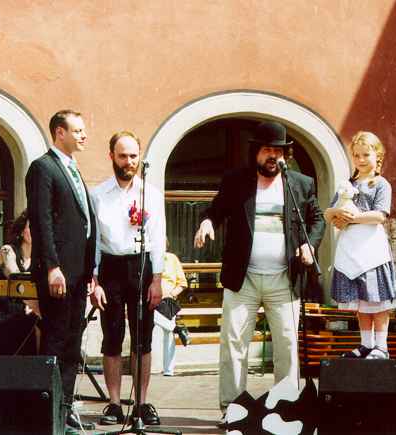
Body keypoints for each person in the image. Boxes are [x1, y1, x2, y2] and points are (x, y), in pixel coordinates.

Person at [193, 120, 325, 427]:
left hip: (284, 279)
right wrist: (207, 223)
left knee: (287, 345)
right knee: (234, 343)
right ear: (256, 152)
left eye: (277, 151)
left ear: (285, 155)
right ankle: (232, 408)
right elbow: (215, 209)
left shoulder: (299, 184)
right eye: (267, 149)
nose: (272, 156)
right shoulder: (236, 181)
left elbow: (316, 219)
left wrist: (310, 245)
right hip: (244, 278)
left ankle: (285, 407)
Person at [25, 109, 97, 433]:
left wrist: (91, 270)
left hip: (79, 273)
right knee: (55, 340)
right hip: (59, 273)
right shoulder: (44, 168)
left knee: (72, 342)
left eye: (84, 130)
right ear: (59, 132)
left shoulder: (73, 168)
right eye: (78, 130)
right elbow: (42, 222)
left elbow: (82, 222)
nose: (84, 136)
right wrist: (52, 266)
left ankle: (64, 408)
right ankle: (46, 412)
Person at [90, 131, 165, 426]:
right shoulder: (97, 195)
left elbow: (159, 239)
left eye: (133, 155)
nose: (129, 161)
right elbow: (93, 242)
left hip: (142, 266)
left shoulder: (152, 195)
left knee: (142, 340)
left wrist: (157, 279)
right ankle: (113, 403)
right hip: (110, 267)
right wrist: (93, 282)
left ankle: (142, 403)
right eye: (122, 156)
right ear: (111, 157)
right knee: (112, 337)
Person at [324, 131, 396, 359]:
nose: (361, 159)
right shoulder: (347, 185)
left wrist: (353, 217)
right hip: (350, 247)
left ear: (378, 156)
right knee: (360, 300)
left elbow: (380, 215)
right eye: (356, 155)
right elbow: (330, 215)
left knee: (377, 298)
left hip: (371, 248)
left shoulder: (381, 184)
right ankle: (366, 343)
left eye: (366, 154)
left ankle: (381, 346)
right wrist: (338, 213)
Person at [0, 210, 40, 355]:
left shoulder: (40, 260)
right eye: (31, 227)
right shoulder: (7, 251)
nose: (36, 231)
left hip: (25, 313)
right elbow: (15, 278)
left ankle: (43, 366)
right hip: (0, 313)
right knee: (40, 320)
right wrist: (35, 306)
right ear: (21, 231)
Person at [151, 246, 191, 376]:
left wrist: (172, 294)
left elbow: (183, 283)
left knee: (168, 334)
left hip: (168, 300)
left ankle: (169, 369)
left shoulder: (172, 259)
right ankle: (177, 328)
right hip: (150, 299)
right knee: (152, 326)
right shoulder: (148, 258)